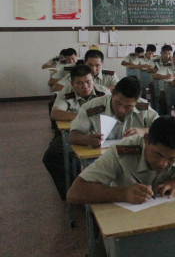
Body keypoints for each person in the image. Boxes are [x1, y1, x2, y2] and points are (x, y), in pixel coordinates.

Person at [66, 116, 175, 205]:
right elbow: (75, 193)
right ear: (146, 139)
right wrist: (123, 193)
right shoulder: (123, 151)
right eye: (158, 155)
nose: (163, 164)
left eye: (173, 159)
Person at [42, 65, 111, 200]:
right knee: (51, 156)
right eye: (79, 83)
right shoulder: (66, 92)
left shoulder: (104, 93)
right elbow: (55, 114)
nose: (85, 86)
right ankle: (71, 192)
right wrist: (83, 118)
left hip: (100, 133)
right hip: (73, 132)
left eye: (88, 82)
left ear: (93, 80)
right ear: (72, 83)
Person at [68, 77, 158, 148]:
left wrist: (143, 131)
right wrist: (87, 139)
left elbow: (161, 130)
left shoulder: (143, 107)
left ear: (137, 102)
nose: (121, 110)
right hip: (100, 159)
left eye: (128, 106)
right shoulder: (91, 107)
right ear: (112, 93)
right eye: (118, 103)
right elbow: (72, 136)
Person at [53, 49, 119, 92]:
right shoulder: (77, 74)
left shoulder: (110, 75)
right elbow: (56, 88)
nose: (93, 69)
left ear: (102, 63)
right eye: (90, 65)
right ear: (85, 62)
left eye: (97, 65)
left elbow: (118, 90)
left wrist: (93, 88)